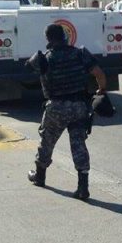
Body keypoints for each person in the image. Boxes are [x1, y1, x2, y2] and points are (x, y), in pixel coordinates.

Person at [26, 23, 107, 200]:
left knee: (47, 141)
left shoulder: (44, 58)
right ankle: (82, 187)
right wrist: (101, 91)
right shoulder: (80, 53)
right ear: (65, 36)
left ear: (48, 39)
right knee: (79, 144)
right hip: (79, 106)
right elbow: (99, 74)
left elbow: (28, 72)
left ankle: (40, 176)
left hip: (56, 107)